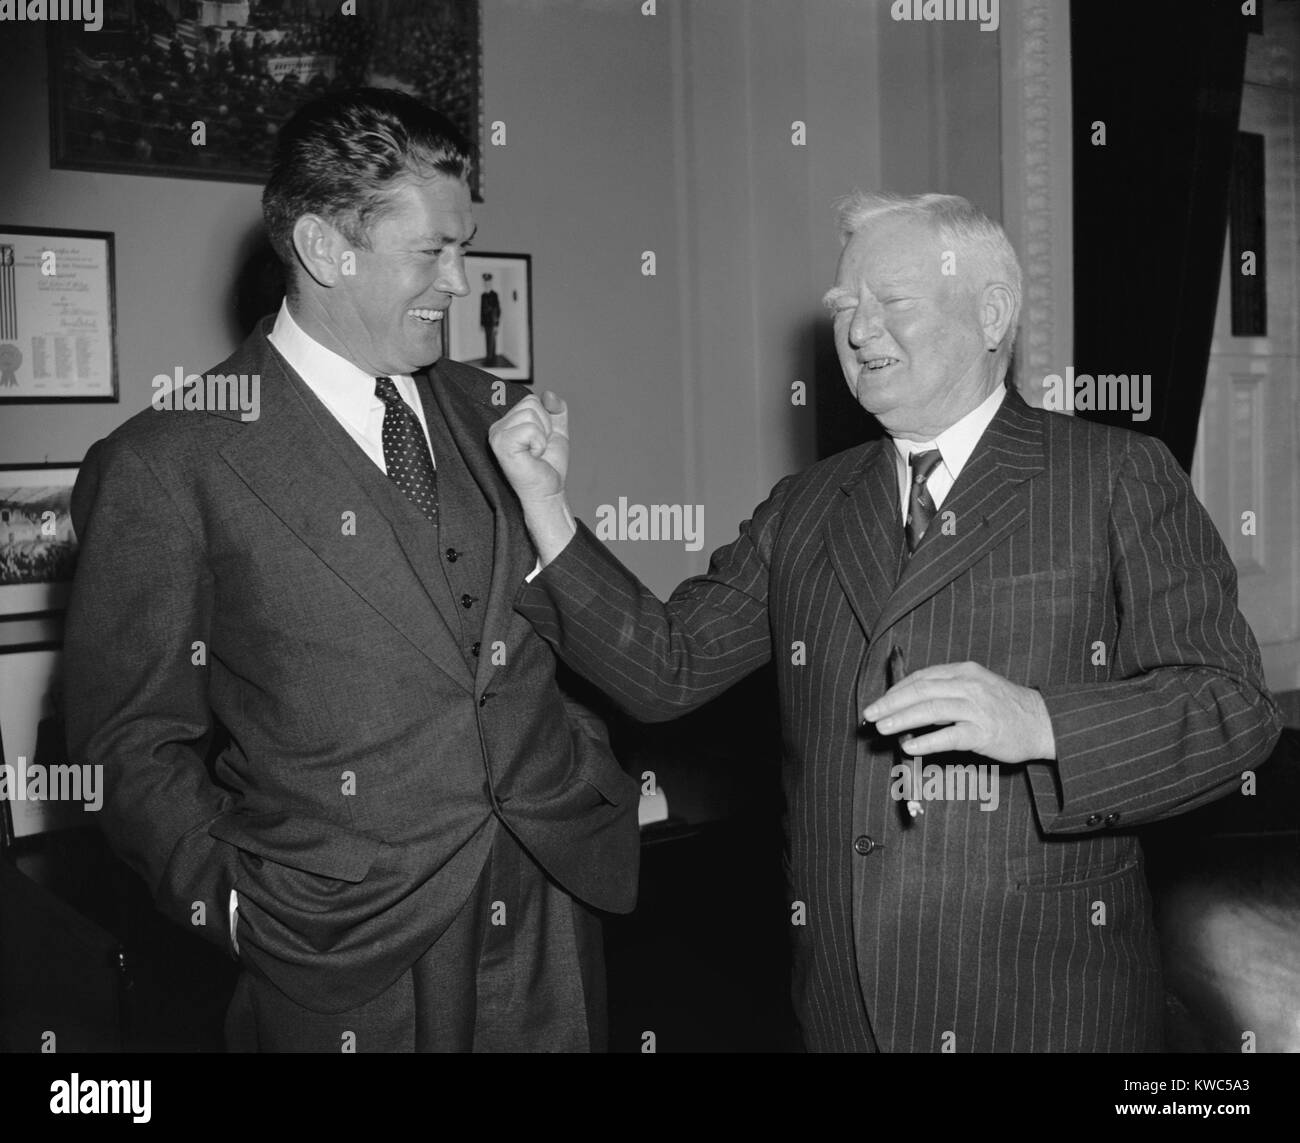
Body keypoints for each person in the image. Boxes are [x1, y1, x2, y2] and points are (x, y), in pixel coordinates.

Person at [490, 191, 1282, 1052]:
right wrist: (545, 506)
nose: (858, 330)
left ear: (991, 314)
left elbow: (1231, 708)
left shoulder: (1114, 475)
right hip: (843, 1005)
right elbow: (665, 667)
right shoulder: (807, 506)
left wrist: (1040, 721)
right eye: (843, 308)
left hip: (1045, 1005)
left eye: (890, 301)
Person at [63, 87, 638, 1053]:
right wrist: (239, 910)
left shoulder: (498, 409)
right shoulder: (168, 463)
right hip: (340, 950)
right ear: (328, 250)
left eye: (465, 245)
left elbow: (558, 624)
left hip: (548, 900)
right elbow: (127, 746)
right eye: (433, 252)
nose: (460, 281)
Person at [480, 272, 501, 365]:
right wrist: (481, 323)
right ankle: (489, 358)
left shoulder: (494, 295)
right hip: (486, 322)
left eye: (488, 282)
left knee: (492, 341)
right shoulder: (483, 295)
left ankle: (491, 359)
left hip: (493, 321)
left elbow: (497, 310)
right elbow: (481, 310)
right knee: (487, 340)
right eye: (485, 282)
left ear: (491, 283)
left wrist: (496, 324)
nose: (486, 284)